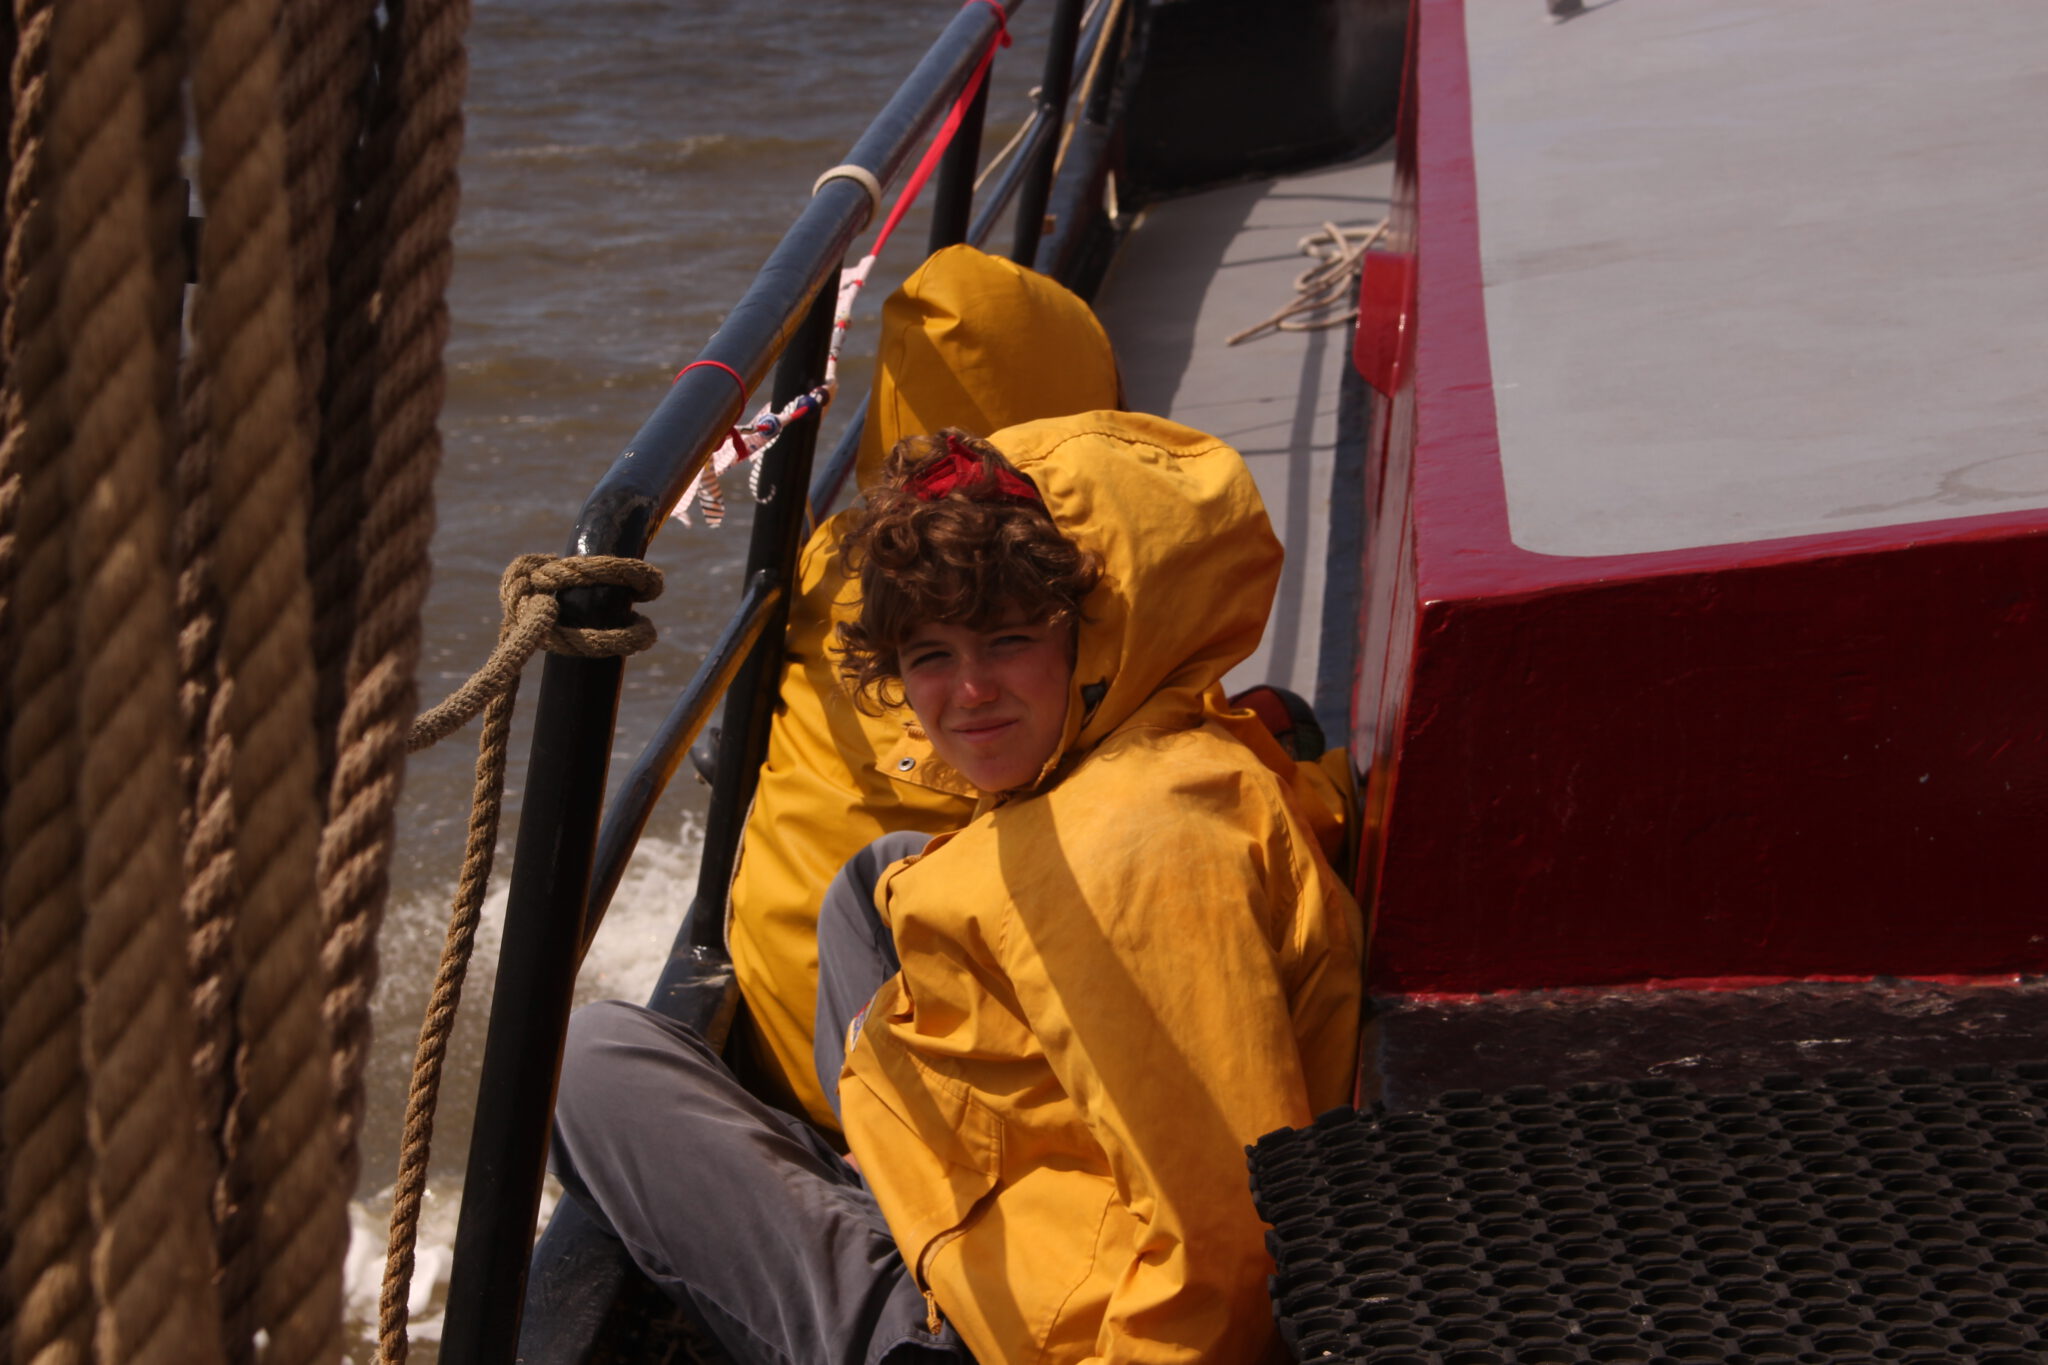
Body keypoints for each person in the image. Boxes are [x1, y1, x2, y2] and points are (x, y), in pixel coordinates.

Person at [552, 415, 1363, 1365]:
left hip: (1017, 1333)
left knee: (586, 1057)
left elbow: (1223, 1244)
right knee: (879, 877)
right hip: (1037, 1230)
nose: (967, 692)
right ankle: (881, 1162)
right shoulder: (1162, 745)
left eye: (1007, 640)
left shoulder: (1132, 855)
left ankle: (873, 1208)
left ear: (1089, 634)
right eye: (931, 656)